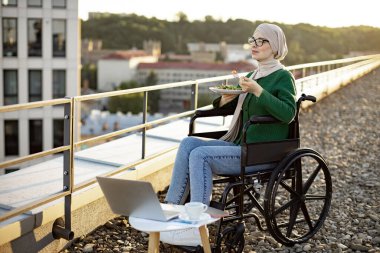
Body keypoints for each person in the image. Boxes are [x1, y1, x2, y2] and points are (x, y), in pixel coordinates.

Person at [160, 23, 296, 246]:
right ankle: (169, 213)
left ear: (275, 46)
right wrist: (226, 99)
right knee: (188, 143)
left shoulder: (282, 77)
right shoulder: (254, 74)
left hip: (260, 151)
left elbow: (288, 113)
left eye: (261, 41)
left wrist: (258, 91)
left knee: (200, 155)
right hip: (240, 141)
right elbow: (241, 107)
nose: (254, 45)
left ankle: (195, 228)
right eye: (253, 40)